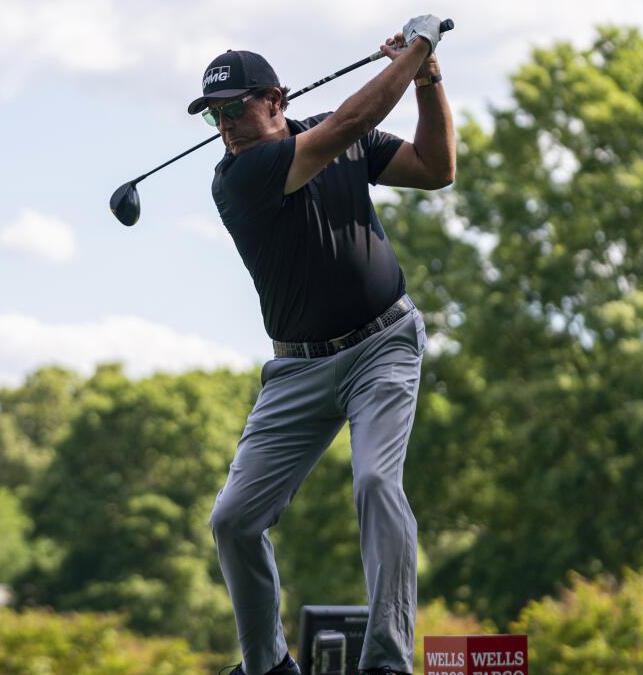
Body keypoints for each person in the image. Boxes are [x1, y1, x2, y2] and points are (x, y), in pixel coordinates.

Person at [187, 14, 455, 675]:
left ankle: (388, 660)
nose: (224, 125)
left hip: (383, 344)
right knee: (234, 519)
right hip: (297, 370)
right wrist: (417, 48)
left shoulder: (335, 138)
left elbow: (435, 167)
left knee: (374, 480)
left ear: (276, 102)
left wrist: (427, 77)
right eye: (212, 115)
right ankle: (267, 666)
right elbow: (347, 127)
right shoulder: (239, 178)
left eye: (235, 108)